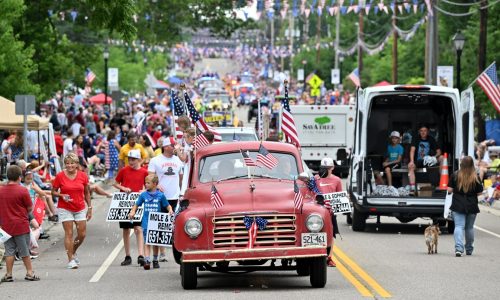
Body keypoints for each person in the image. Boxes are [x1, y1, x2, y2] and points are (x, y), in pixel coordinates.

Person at [0, 165, 40, 282]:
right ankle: (29, 273)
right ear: (19, 177)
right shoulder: (23, 190)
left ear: (8, 177)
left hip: (6, 226)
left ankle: (8, 274)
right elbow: (29, 208)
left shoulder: (1, 191)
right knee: (25, 251)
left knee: (9, 251)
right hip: (21, 225)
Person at [51, 153, 91, 269]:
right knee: (69, 233)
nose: (69, 165)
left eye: (72, 163)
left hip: (79, 207)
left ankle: (72, 251)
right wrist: (61, 194)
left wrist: (90, 207)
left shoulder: (83, 176)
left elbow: (87, 192)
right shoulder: (60, 176)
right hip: (65, 208)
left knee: (82, 234)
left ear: (77, 164)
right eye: (67, 163)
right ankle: (70, 260)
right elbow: (53, 192)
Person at [128, 174, 173, 270]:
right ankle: (147, 260)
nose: (146, 184)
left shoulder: (161, 195)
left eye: (148, 183)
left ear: (155, 184)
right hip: (146, 222)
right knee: (147, 241)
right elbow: (136, 205)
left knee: (155, 242)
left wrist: (170, 210)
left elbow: (167, 205)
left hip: (156, 223)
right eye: (145, 182)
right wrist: (132, 212)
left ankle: (155, 259)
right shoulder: (143, 195)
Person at [113, 150, 149, 267]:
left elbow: (150, 185)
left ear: (139, 160)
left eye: (133, 159)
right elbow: (115, 183)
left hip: (138, 202)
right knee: (126, 229)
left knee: (138, 228)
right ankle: (127, 255)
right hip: (125, 202)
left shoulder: (144, 172)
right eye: (129, 159)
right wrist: (123, 188)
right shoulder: (124, 170)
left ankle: (140, 255)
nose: (130, 161)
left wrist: (144, 190)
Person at [447, 156, 483, 257]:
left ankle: (458, 249)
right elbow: (480, 193)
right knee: (469, 228)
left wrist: (456, 190)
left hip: (458, 204)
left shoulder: (455, 175)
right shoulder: (476, 176)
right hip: (472, 205)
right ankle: (469, 249)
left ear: (461, 164)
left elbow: (449, 190)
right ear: (472, 165)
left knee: (459, 226)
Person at [408, 124, 442, 193]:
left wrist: (433, 158)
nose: (423, 132)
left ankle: (442, 184)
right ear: (419, 132)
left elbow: (439, 152)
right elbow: (412, 150)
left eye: (425, 131)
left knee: (442, 158)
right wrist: (411, 161)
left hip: (429, 161)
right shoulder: (416, 138)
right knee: (410, 166)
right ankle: (412, 189)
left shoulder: (431, 139)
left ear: (428, 132)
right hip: (418, 161)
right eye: (421, 131)